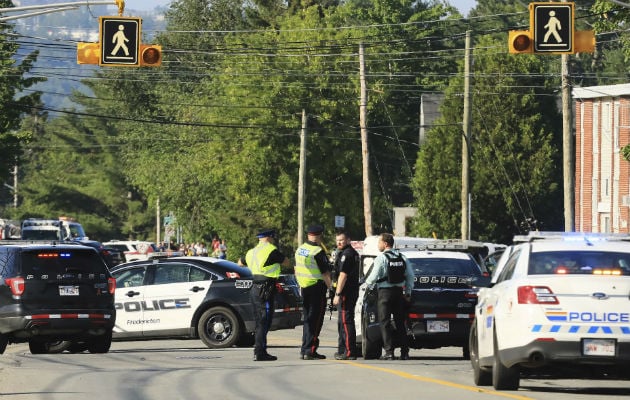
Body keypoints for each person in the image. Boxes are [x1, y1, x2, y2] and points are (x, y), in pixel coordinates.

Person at [365, 233, 414, 360]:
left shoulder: (381, 258)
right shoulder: (402, 257)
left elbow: (373, 277)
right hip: (399, 293)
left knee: (385, 322)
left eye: (379, 242)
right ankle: (405, 352)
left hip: (384, 293)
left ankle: (389, 351)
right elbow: (410, 276)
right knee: (400, 322)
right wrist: (408, 292)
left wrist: (367, 285)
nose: (378, 245)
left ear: (385, 244)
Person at [246, 229, 290, 361]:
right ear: (270, 237)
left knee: (260, 321)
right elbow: (286, 262)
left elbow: (240, 262)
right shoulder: (271, 250)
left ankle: (260, 350)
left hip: (254, 288)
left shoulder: (251, 252)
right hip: (265, 289)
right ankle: (260, 352)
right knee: (264, 322)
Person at [294, 224, 333, 360]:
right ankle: (310, 350)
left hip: (304, 288)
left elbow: (296, 269)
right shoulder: (317, 251)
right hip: (317, 288)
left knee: (308, 320)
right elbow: (325, 273)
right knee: (315, 320)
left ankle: (305, 349)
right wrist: (332, 289)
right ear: (319, 235)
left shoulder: (300, 249)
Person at [332, 231, 360, 360]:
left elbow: (343, 275)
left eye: (342, 240)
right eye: (337, 240)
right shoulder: (346, 253)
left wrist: (337, 294)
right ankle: (343, 349)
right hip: (349, 291)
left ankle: (349, 351)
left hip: (346, 292)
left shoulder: (347, 254)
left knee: (346, 320)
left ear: (348, 240)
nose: (339, 242)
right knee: (342, 321)